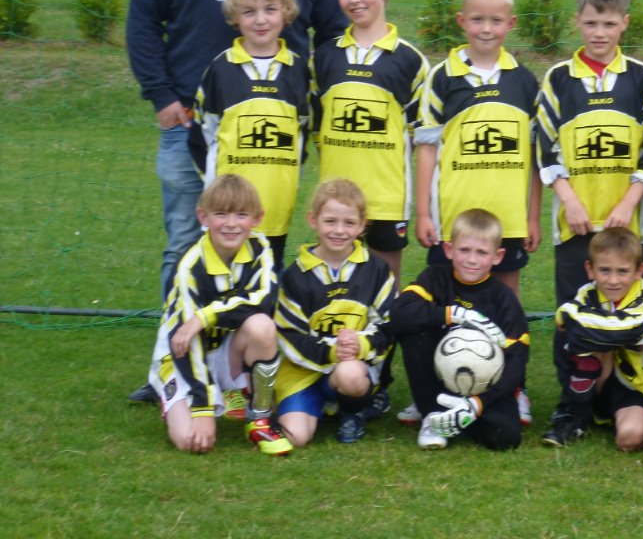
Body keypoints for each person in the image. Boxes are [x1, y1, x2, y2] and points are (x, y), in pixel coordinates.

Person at [126, 0, 346, 404]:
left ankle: (254, 365)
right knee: (187, 246)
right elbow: (143, 20)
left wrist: (321, 106)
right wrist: (162, 96)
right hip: (193, 129)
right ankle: (172, 365)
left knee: (265, 251)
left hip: (273, 142)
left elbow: (334, 35)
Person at [536, 0, 643, 440]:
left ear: (624, 23)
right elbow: (545, 145)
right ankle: (572, 409)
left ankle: (622, 397)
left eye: (609, 23)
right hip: (575, 227)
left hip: (626, 230)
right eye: (591, 23)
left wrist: (630, 200)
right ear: (577, 21)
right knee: (574, 318)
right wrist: (569, 199)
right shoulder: (558, 79)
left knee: (626, 317)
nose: (599, 33)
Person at [410, 0, 541, 427]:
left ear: (511, 24)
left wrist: (532, 216)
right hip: (454, 221)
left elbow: (535, 158)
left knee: (507, 308)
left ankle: (512, 389)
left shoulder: (524, 81)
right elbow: (427, 149)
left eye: (496, 20)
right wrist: (423, 211)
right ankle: (436, 390)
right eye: (478, 20)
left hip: (508, 220)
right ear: (462, 21)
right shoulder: (441, 78)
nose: (487, 29)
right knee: (443, 306)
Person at [311, 0, 429, 422]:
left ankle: (377, 383)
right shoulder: (324, 58)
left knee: (383, 299)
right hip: (335, 208)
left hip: (384, 201)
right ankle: (337, 380)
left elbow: (422, 139)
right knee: (337, 297)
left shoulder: (410, 61)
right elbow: (316, 129)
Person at [148, 174, 292, 456]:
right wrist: (202, 409)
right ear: (203, 216)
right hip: (182, 358)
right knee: (191, 441)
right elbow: (185, 342)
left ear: (257, 218)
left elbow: (263, 300)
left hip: (227, 351)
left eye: (241, 215)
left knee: (262, 326)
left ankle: (259, 419)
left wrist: (204, 317)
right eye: (221, 214)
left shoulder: (260, 248)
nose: (231, 223)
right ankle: (178, 397)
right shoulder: (189, 267)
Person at [189, 0, 310, 270]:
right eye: (249, 11)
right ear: (235, 16)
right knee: (223, 281)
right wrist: (218, 193)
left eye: (270, 9)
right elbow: (201, 137)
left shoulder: (299, 71)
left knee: (267, 279)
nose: (260, 20)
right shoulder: (220, 70)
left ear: (285, 12)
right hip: (228, 213)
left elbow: (303, 137)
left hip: (276, 206)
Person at [389, 208, 529, 451]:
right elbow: (399, 312)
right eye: (464, 250)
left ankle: (462, 412)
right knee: (414, 328)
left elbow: (517, 361)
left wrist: (479, 403)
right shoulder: (435, 278)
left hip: (484, 386)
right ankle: (432, 414)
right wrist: (454, 314)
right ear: (449, 250)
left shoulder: (504, 299)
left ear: (498, 256)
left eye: (481, 252)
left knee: (505, 438)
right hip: (439, 379)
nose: (472, 259)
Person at [274, 179, 396, 446]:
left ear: (362, 225)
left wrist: (362, 344)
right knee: (296, 437)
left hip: (352, 366)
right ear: (313, 220)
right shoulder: (296, 276)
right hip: (303, 372)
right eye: (330, 221)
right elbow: (290, 335)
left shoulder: (376, 269)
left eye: (349, 223)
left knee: (350, 375)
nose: (339, 230)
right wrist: (331, 352)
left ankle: (351, 411)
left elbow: (389, 324)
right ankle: (319, 405)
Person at [544, 227, 643, 451]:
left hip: (636, 389)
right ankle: (574, 415)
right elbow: (574, 323)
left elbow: (627, 328)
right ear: (590, 269)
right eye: (604, 270)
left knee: (629, 438)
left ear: (639, 270)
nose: (613, 280)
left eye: (622, 271)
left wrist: (575, 320)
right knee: (584, 345)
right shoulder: (587, 294)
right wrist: (585, 327)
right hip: (600, 384)